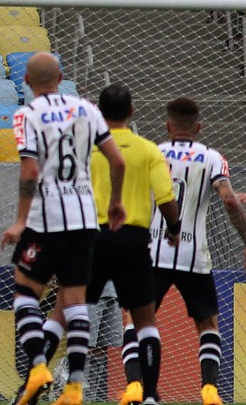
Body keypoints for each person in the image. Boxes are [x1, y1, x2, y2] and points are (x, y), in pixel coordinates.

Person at [40, 84, 182, 405]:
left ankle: (35, 378)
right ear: (132, 111)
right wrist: (174, 228)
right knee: (145, 320)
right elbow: (165, 198)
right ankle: (150, 396)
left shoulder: (85, 150)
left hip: (90, 238)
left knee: (64, 313)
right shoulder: (148, 150)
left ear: (98, 113)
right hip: (132, 239)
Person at [1, 52, 126, 405]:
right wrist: (115, 202)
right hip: (84, 219)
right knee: (74, 302)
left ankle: (39, 364)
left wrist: (21, 220)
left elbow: (30, 171)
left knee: (25, 293)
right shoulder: (88, 109)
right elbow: (117, 160)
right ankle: (74, 386)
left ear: (26, 80)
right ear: (62, 75)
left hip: (45, 219)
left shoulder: (27, 114)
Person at [120, 97, 246, 405]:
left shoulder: (152, 153)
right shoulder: (212, 158)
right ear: (199, 127)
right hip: (194, 256)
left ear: (167, 126)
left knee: (136, 320)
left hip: (153, 252)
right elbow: (230, 201)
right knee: (207, 325)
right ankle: (209, 391)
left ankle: (137, 387)